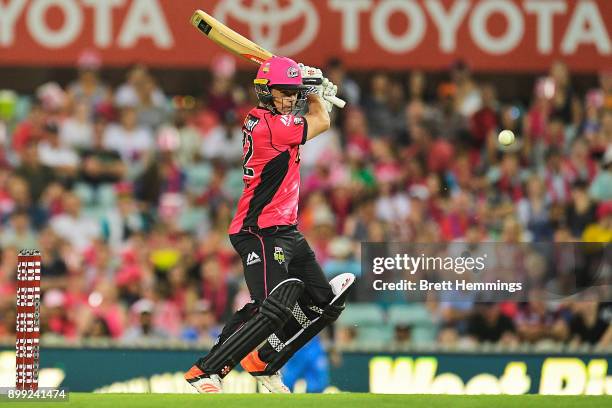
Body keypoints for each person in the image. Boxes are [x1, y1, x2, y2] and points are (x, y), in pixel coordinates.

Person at [184, 56, 352, 394]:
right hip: (258, 230)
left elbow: (315, 118)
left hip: (286, 229)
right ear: (266, 92)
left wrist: (311, 86)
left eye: (294, 93)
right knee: (271, 305)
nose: (290, 99)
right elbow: (321, 121)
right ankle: (205, 372)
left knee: (324, 304)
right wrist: (318, 91)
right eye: (284, 93)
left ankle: (265, 360)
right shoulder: (272, 126)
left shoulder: (271, 119)